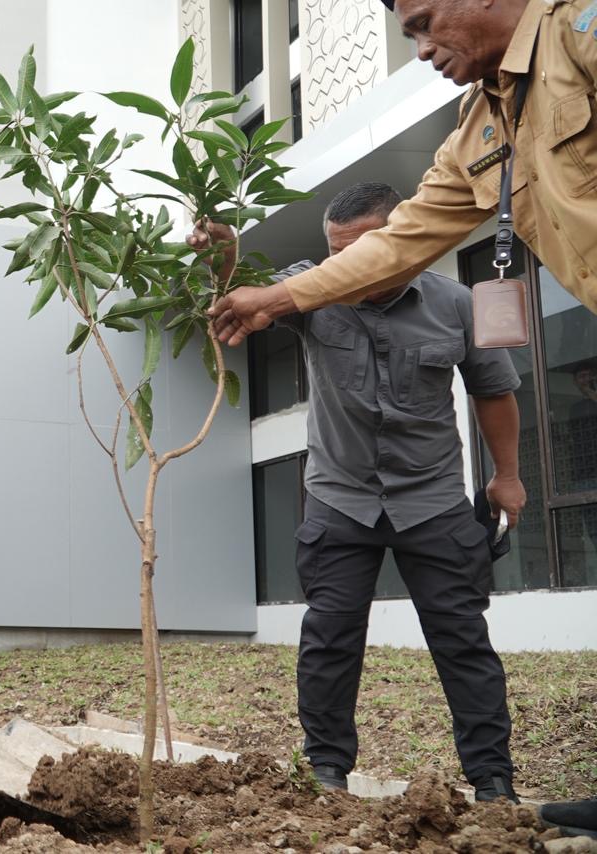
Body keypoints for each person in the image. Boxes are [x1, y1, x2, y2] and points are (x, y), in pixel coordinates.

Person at [199, 182, 526, 801]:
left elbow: (494, 392)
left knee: (463, 640)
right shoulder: (310, 289)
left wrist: (506, 475)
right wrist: (225, 256)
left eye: (360, 252)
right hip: (339, 498)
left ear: (398, 240)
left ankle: (492, 779)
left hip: (432, 498)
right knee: (330, 638)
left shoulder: (458, 303)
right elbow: (246, 300)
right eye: (335, 253)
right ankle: (326, 770)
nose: (344, 266)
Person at [210, 0, 597, 347]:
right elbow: (400, 242)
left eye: (426, 24)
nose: (423, 50)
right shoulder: (477, 125)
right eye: (412, 37)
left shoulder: (579, 30)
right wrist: (271, 300)